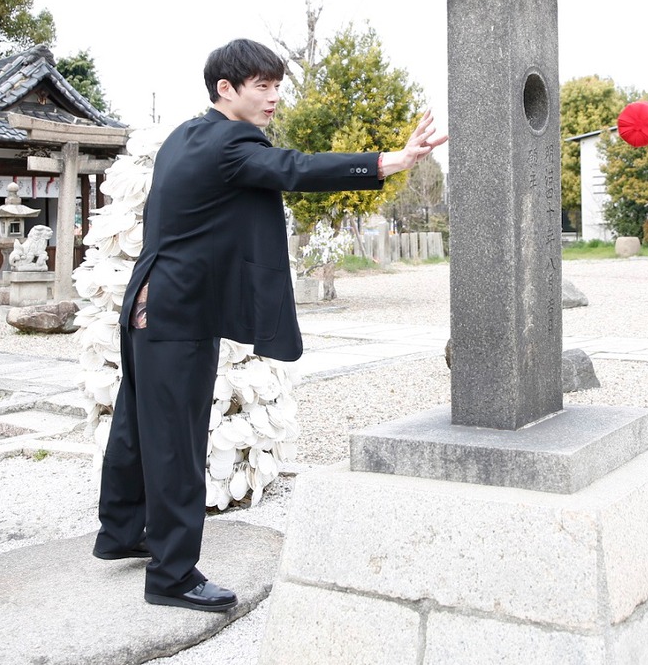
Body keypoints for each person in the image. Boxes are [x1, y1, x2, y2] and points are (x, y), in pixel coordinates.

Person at [93, 38, 447, 611]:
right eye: (263, 86)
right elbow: (294, 169)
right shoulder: (233, 143)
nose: (274, 98)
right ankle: (172, 575)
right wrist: (391, 161)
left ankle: (123, 533)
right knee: (177, 442)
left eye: (278, 86)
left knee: (139, 424)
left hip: (147, 300)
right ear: (225, 90)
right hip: (179, 310)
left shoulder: (186, 135)